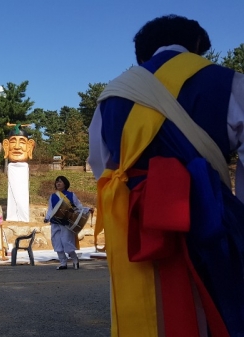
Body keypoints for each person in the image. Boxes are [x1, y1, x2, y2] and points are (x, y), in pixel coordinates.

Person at [88, 15, 244, 336]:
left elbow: (102, 168)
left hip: (137, 224)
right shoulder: (231, 83)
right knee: (215, 309)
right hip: (209, 218)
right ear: (198, 47)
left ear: (143, 56)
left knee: (147, 314)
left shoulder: (110, 97)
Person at [44, 176, 84, 270]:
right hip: (55, 222)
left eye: (60, 182)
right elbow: (50, 209)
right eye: (57, 182)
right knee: (57, 242)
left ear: (65, 184)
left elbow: (78, 206)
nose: (58, 184)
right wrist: (47, 218)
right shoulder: (53, 196)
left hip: (66, 222)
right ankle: (63, 262)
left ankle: (75, 259)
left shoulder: (71, 195)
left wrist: (85, 210)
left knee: (66, 242)